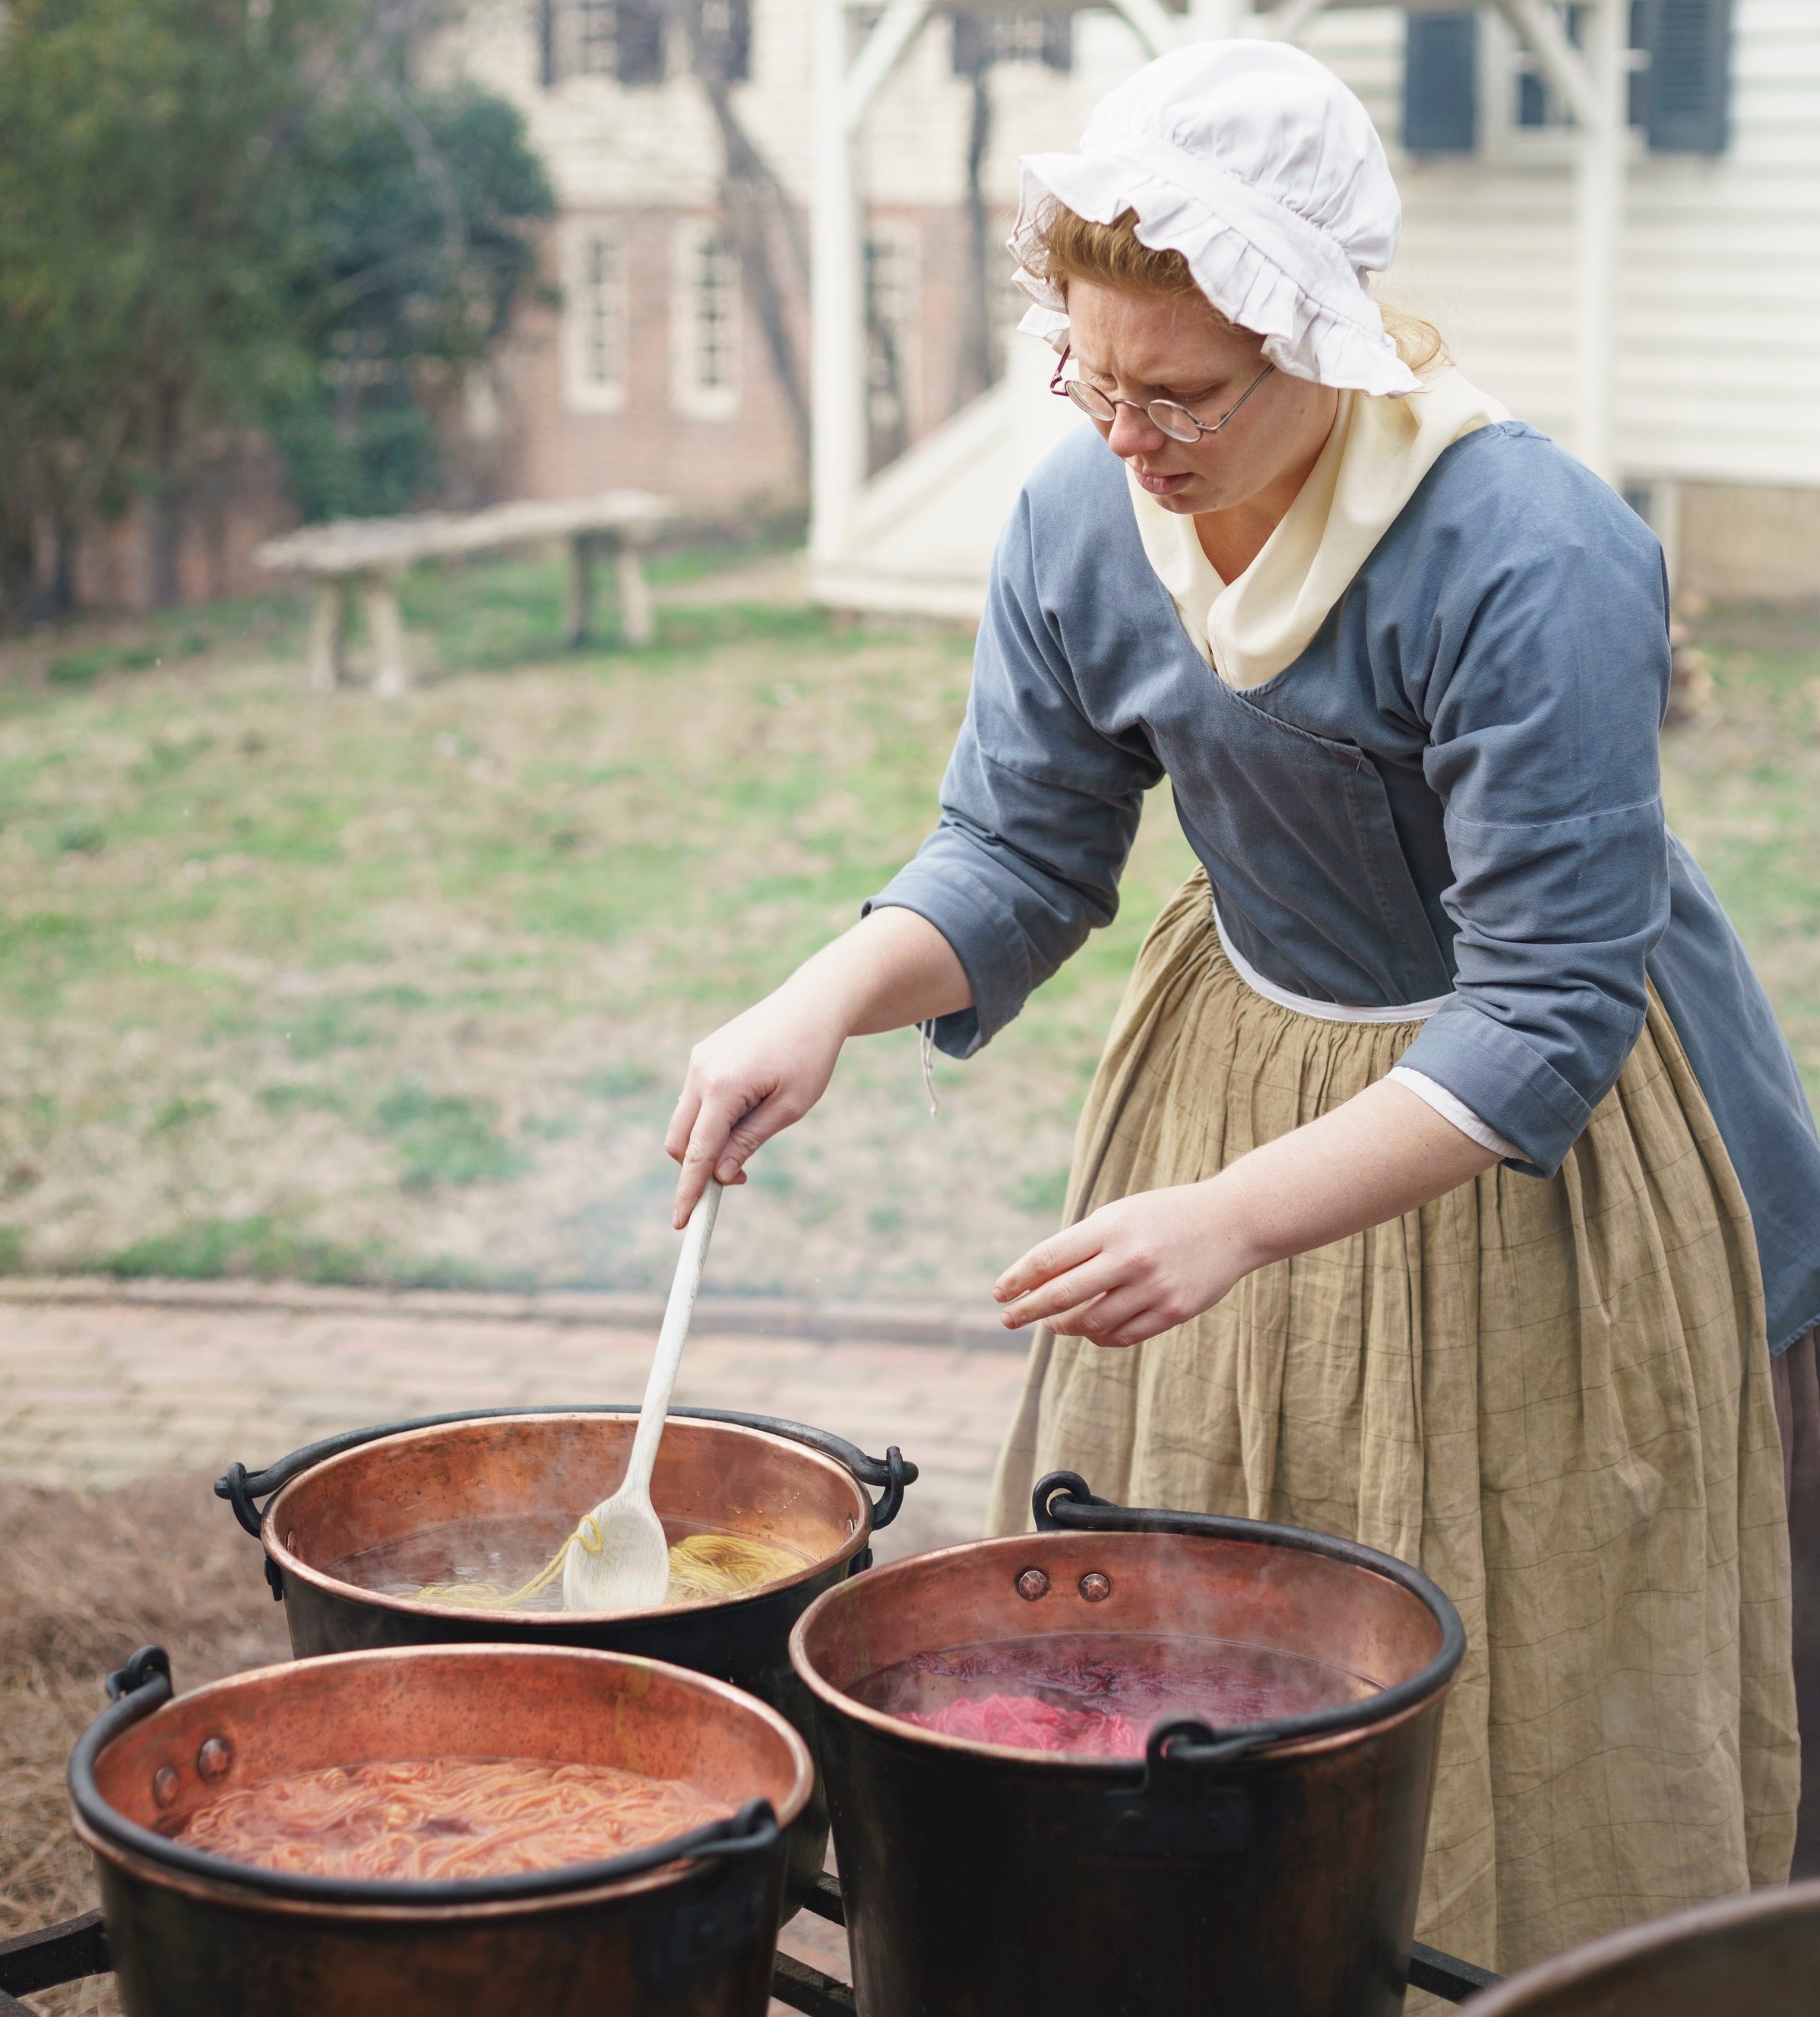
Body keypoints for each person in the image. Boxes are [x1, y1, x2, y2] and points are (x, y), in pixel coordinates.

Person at [665, 40, 1820, 1976]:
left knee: (1563, 1618)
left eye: (1180, 391)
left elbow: (1544, 1007)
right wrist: (820, 996)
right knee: (1251, 1613)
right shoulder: (1076, 520)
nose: (1129, 431)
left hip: (1565, 1125)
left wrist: (1230, 1216)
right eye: (1091, 375)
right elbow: (1018, 853)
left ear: (1325, 343)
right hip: (1250, 1064)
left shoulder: (1530, 554)